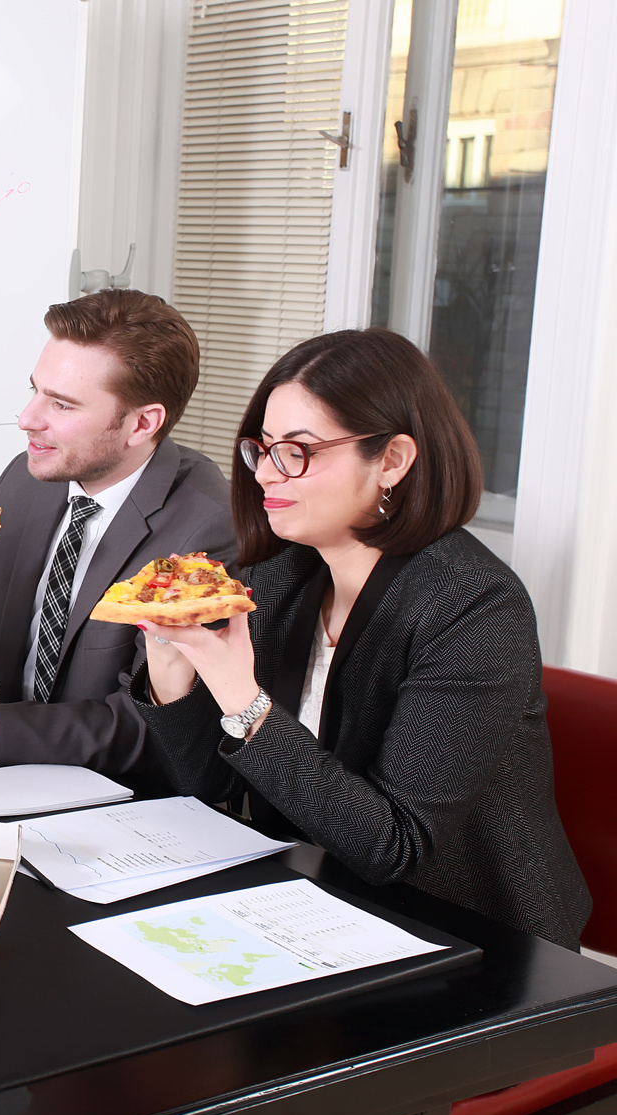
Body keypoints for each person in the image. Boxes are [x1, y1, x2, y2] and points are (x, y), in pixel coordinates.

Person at [132, 328, 590, 948]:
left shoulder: (476, 606)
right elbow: (211, 790)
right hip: (315, 905)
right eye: (263, 449)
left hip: (469, 939)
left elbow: (393, 846)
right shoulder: (278, 580)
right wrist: (172, 671)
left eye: (299, 450)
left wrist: (245, 701)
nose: (269, 472)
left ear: (393, 461)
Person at [0, 289, 235, 780]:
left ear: (142, 423)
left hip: (128, 810)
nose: (28, 419)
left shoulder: (207, 531)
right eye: (34, 390)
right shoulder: (27, 480)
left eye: (63, 405)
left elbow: (154, 727)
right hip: (12, 786)